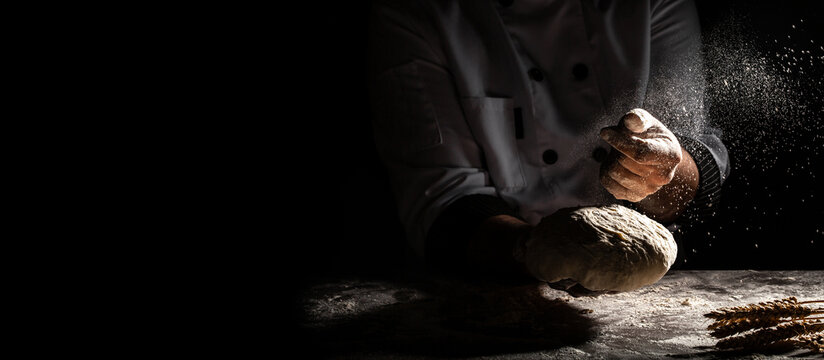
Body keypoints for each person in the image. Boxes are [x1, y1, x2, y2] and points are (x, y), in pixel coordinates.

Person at [367, 0, 730, 283]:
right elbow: (442, 201)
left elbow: (691, 166)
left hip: (656, 290)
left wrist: (662, 169)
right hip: (491, 287)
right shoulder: (417, 13)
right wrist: (542, 253)